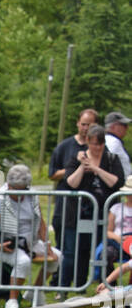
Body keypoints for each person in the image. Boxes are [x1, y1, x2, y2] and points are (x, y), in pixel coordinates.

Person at [0, 164, 58, 308]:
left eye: (23, 189)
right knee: (23, 261)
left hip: (30, 242)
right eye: (15, 189)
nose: (19, 194)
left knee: (57, 257)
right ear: (8, 185)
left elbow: (41, 223)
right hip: (1, 244)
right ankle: (12, 301)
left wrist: (48, 246)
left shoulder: (32, 196)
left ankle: (35, 292)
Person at [62, 124, 124, 289]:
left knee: (103, 249)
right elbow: (70, 183)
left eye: (100, 144)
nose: (97, 147)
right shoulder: (77, 159)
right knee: (81, 250)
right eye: (94, 144)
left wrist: (96, 169)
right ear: (87, 142)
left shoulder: (111, 159)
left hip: (105, 213)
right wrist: (83, 166)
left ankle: (107, 283)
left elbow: (117, 182)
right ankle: (80, 285)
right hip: (81, 213)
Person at [49, 107, 98, 282]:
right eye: (83, 124)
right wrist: (73, 168)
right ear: (78, 124)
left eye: (90, 125)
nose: (85, 128)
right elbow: (52, 173)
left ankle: (80, 282)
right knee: (63, 246)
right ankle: (58, 281)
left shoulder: (97, 147)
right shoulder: (65, 146)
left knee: (83, 247)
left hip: (88, 205)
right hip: (65, 204)